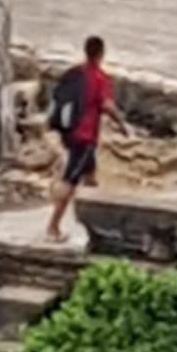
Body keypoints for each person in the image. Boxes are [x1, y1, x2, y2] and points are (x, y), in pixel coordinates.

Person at [46, 35, 130, 243]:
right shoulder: (100, 78)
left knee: (90, 176)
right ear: (101, 53)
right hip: (84, 138)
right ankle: (53, 227)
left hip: (70, 133)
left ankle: (96, 225)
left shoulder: (76, 73)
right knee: (70, 180)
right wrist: (122, 124)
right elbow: (107, 106)